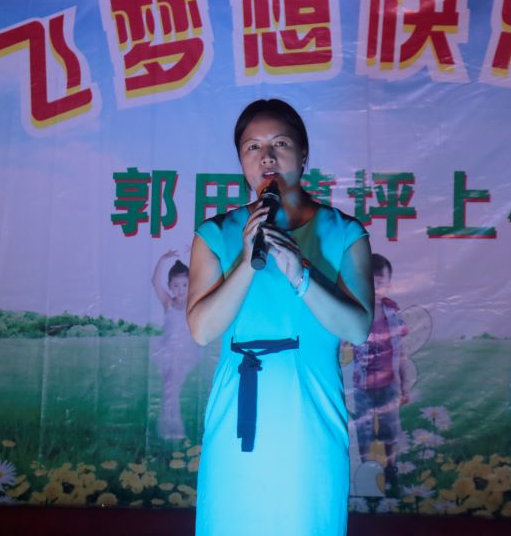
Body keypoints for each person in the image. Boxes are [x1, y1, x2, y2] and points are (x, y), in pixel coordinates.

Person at [188, 99, 373, 536]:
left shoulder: (344, 232)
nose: (266, 157)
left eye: (280, 144)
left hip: (309, 411)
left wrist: (301, 274)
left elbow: (357, 329)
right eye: (253, 147)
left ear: (304, 154)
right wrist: (246, 259)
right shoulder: (215, 234)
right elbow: (201, 330)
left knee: (305, 519)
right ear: (241, 161)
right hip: (237, 410)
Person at [350, 253, 410, 491]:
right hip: (361, 386)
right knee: (363, 431)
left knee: (390, 430)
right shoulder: (353, 312)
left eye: (379, 280)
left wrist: (405, 385)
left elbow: (401, 353)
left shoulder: (394, 315)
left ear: (388, 284)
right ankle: (366, 470)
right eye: (369, 280)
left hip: (389, 384)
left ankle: (391, 468)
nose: (374, 286)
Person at [151, 249, 202, 440]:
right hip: (168, 352)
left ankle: (172, 429)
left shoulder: (193, 303)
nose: (181, 290)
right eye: (176, 285)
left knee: (173, 389)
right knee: (170, 389)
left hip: (186, 353)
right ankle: (170, 429)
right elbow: (155, 282)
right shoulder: (168, 303)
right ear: (170, 287)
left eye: (185, 285)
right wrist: (162, 259)